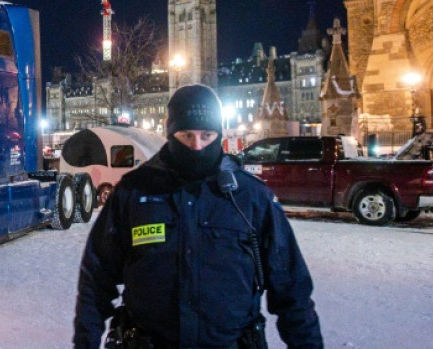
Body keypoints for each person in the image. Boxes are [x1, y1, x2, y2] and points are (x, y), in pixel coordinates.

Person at [74, 84, 323, 349]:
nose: (197, 146)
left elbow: (292, 290)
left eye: (207, 135)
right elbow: (95, 281)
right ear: (170, 133)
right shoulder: (134, 192)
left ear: (219, 135)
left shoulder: (250, 197)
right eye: (186, 135)